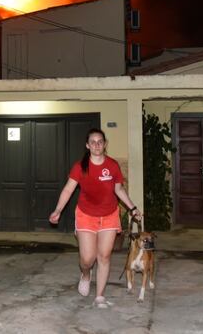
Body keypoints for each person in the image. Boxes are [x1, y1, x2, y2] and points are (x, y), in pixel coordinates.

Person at [49, 127, 142, 309]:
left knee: (104, 256)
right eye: (93, 142)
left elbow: (118, 189)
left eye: (100, 142)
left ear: (105, 144)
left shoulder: (112, 165)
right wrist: (58, 210)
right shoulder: (80, 167)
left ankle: (100, 296)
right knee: (87, 258)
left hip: (109, 215)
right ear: (87, 145)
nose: (97, 145)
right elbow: (68, 189)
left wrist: (132, 208)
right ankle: (85, 274)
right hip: (86, 215)